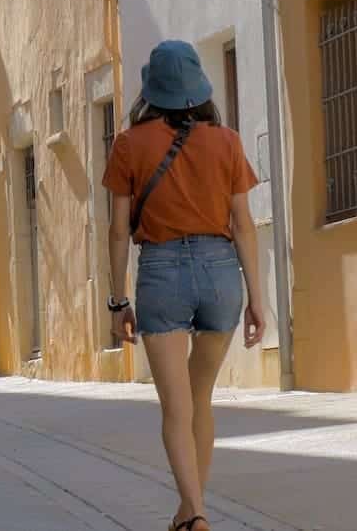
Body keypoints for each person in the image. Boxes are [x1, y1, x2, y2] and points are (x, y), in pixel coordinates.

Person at [102, 40, 265, 531]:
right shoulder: (228, 142)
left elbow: (116, 230)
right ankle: (188, 510)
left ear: (151, 91)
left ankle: (193, 511)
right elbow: (244, 224)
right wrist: (257, 299)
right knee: (201, 399)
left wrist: (118, 300)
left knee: (175, 407)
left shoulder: (129, 144)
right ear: (199, 89)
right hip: (220, 274)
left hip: (162, 273)